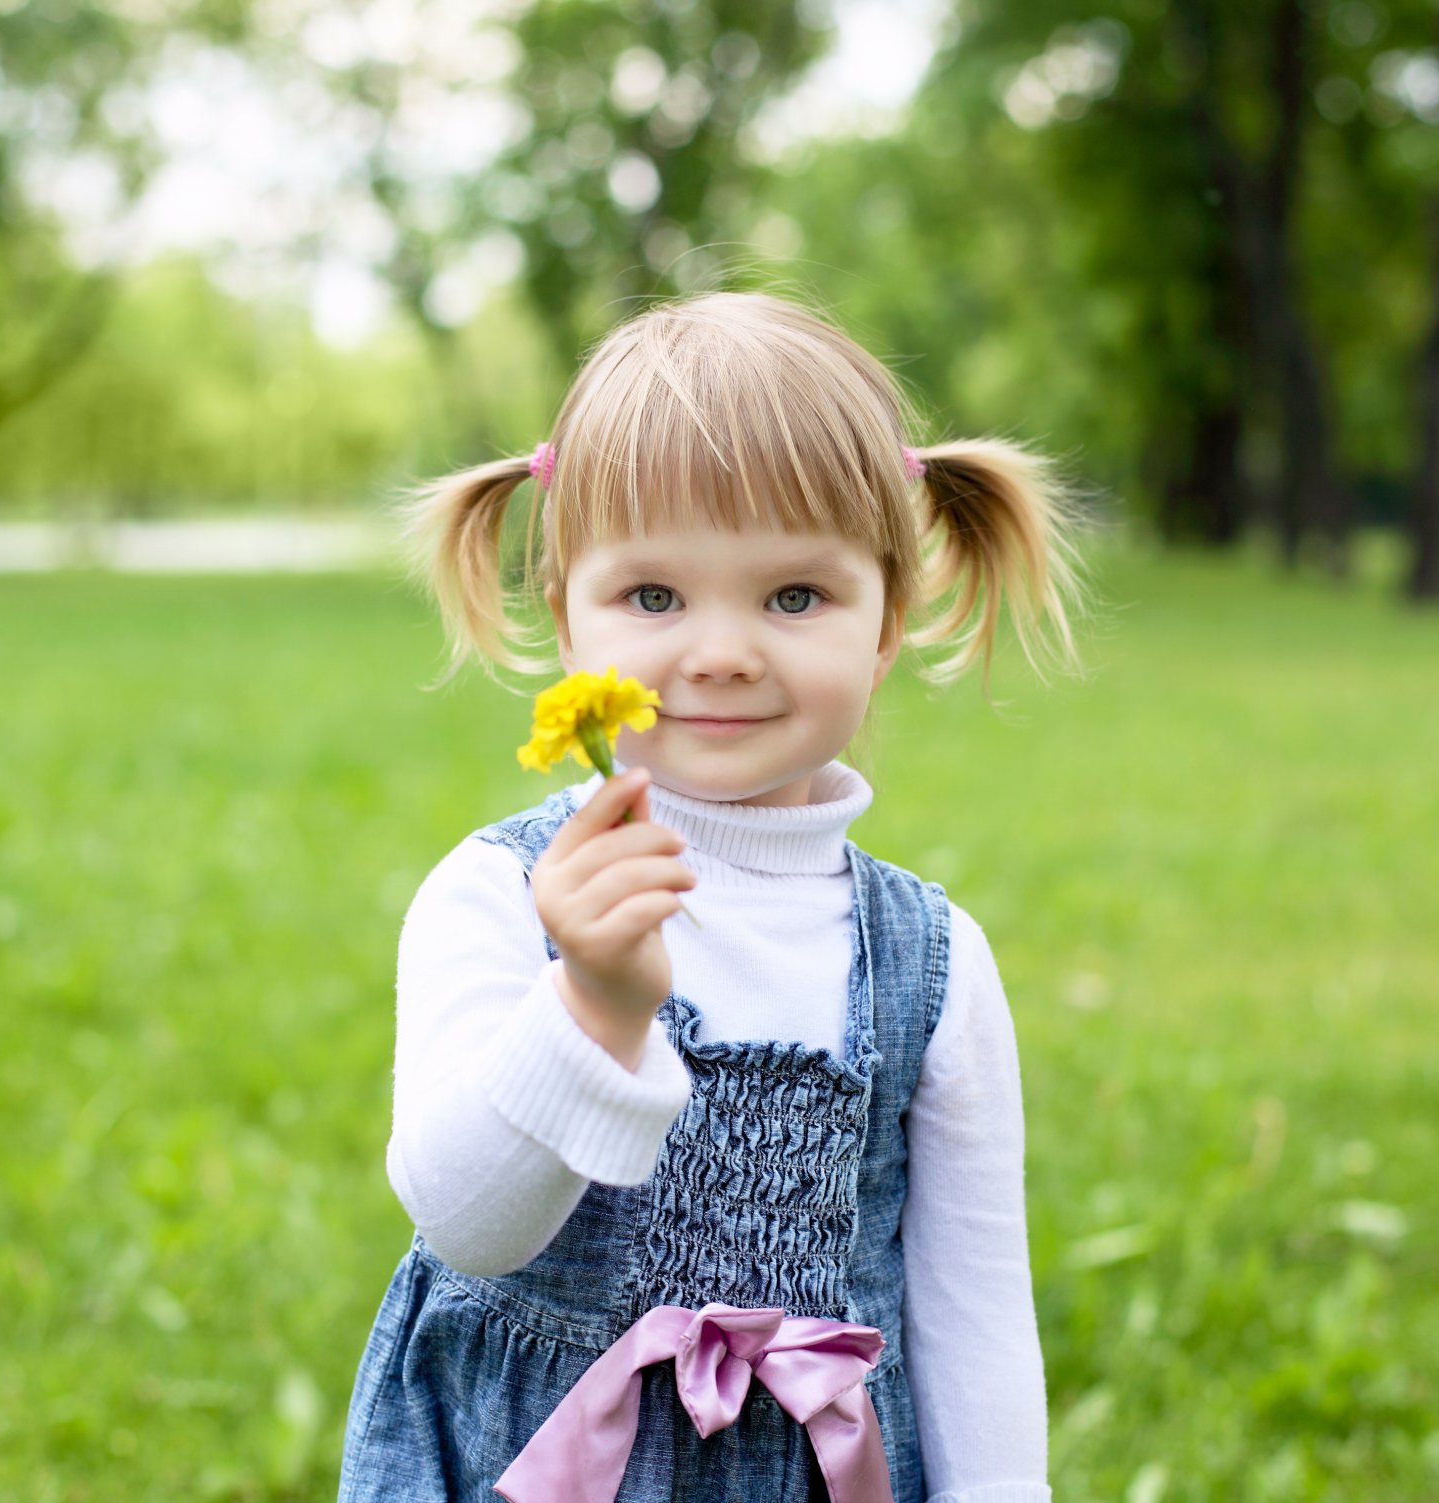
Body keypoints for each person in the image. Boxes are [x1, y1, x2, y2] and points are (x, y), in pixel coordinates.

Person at [337, 289, 1101, 1502]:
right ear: (566, 613)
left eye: (795, 597)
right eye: (653, 598)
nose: (724, 650)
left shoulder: (933, 961)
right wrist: (592, 1007)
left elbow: (975, 1321)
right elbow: (467, 1226)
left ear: (887, 624)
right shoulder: (497, 899)